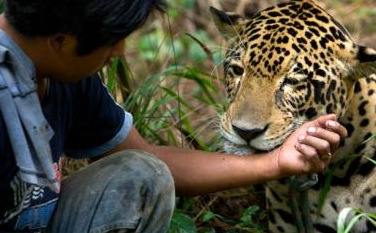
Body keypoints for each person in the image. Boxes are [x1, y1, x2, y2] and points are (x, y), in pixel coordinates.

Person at [0, 0, 347, 232]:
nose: (120, 51)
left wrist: (276, 163)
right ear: (60, 40)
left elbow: (149, 158)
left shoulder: (65, 75)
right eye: (112, 39)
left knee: (141, 173)